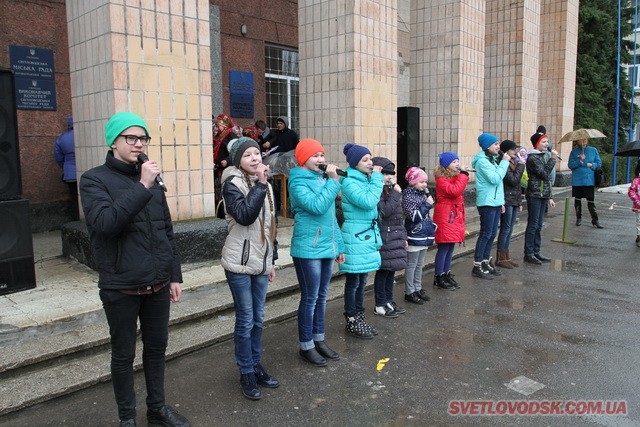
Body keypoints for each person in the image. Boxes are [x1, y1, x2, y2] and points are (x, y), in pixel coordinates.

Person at [79, 112, 190, 427]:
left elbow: (165, 229)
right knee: (123, 355)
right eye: (131, 138)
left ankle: (157, 409)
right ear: (113, 141)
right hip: (121, 287)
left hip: (157, 283)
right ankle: (127, 418)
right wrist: (142, 185)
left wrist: (174, 274)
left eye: (142, 138)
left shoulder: (151, 177)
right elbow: (105, 224)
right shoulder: (94, 179)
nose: (138, 144)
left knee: (157, 350)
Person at [220, 136, 279, 400]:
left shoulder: (262, 183)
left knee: (258, 318)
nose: (255, 158)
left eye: (257, 153)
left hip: (261, 261)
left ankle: (256, 365)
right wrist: (261, 185)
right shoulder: (231, 183)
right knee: (245, 321)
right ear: (238, 161)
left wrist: (271, 260)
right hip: (239, 263)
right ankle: (246, 371)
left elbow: (270, 225)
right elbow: (245, 216)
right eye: (248, 155)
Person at [288, 138, 345, 367]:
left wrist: (339, 246)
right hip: (308, 248)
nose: (320, 159)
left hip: (325, 246)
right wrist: (333, 183)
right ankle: (306, 345)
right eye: (315, 155)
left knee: (322, 297)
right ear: (303, 159)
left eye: (322, 155)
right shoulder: (297, 181)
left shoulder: (322, 179)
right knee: (310, 298)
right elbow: (316, 207)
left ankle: (319, 340)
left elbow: (330, 218)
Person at [339, 143, 383, 339]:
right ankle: (351, 319)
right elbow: (367, 202)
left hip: (366, 234)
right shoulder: (349, 181)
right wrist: (378, 179)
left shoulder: (366, 179)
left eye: (370, 158)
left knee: (362, 279)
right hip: (355, 235)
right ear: (354, 163)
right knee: (354, 280)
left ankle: (359, 315)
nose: (370, 163)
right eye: (365, 160)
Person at [471, 133, 510, 280]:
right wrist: (504, 163)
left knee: (492, 233)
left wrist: (501, 202)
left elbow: (499, 185)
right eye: (495, 144)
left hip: (495, 202)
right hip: (486, 202)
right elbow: (494, 179)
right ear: (487, 146)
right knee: (486, 233)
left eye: (498, 144)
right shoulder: (482, 161)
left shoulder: (492, 160)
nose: (498, 147)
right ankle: (477, 265)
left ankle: (485, 261)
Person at [372, 157, 407, 317]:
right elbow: (384, 211)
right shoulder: (377, 189)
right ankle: (380, 303)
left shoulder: (390, 189)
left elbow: (399, 217)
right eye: (386, 173)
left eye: (391, 174)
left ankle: (388, 301)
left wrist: (403, 236)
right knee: (383, 271)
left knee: (391, 270)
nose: (390, 177)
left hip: (395, 236)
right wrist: (396, 194)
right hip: (384, 236)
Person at [432, 152, 470, 290]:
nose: (457, 164)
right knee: (443, 248)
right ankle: (439, 276)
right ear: (446, 165)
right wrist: (464, 175)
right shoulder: (441, 179)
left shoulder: (454, 177)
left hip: (454, 216)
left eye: (457, 161)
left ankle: (446, 273)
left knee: (450, 248)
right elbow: (455, 191)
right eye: (454, 162)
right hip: (445, 217)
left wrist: (461, 176)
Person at [523, 132, 558, 265]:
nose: (547, 144)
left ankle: (536, 251)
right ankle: (529, 253)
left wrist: (549, 196)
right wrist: (553, 159)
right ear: (537, 144)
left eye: (547, 142)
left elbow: (548, 180)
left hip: (543, 195)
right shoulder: (533, 158)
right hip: (535, 195)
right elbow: (544, 174)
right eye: (544, 142)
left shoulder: (543, 156)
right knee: (533, 224)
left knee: (539, 225)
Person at [401, 167, 434, 303]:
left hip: (424, 234)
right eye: (421, 182)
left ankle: (418, 288)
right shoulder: (408, 196)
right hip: (414, 233)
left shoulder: (422, 195)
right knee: (412, 264)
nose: (425, 185)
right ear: (412, 182)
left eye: (425, 182)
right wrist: (427, 205)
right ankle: (410, 291)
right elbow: (414, 217)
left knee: (420, 264)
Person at [495, 139, 526, 269]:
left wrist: (519, 201)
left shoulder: (513, 161)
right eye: (513, 149)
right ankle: (501, 258)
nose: (516, 151)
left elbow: (518, 185)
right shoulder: (503, 162)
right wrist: (521, 166)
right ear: (507, 150)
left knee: (510, 228)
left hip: (514, 199)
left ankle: (506, 256)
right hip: (506, 199)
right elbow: (513, 180)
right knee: (505, 228)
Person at [568, 137, 603, 228]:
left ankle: (595, 219)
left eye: (585, 140)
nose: (584, 142)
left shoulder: (593, 150)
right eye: (581, 140)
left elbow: (599, 163)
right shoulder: (574, 152)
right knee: (577, 200)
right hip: (577, 180)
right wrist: (580, 161)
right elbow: (570, 165)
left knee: (591, 201)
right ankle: (578, 218)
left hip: (589, 180)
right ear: (577, 141)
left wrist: (592, 165)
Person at [213, 113, 240, 218]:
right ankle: (218, 214)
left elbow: (236, 152)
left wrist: (227, 161)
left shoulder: (231, 136)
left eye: (218, 125)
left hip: (226, 170)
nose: (216, 127)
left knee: (223, 193)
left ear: (225, 125)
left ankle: (224, 215)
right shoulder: (217, 136)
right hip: (217, 169)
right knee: (217, 194)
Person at [54, 115, 79, 220]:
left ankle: (76, 218)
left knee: (74, 197)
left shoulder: (61, 138)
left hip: (70, 174)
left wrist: (65, 168)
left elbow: (58, 157)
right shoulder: (83, 135)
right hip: (87, 171)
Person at [628, 160, 640, 247]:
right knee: (639, 221)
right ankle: (639, 235)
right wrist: (637, 201)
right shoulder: (636, 181)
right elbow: (631, 191)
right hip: (638, 205)